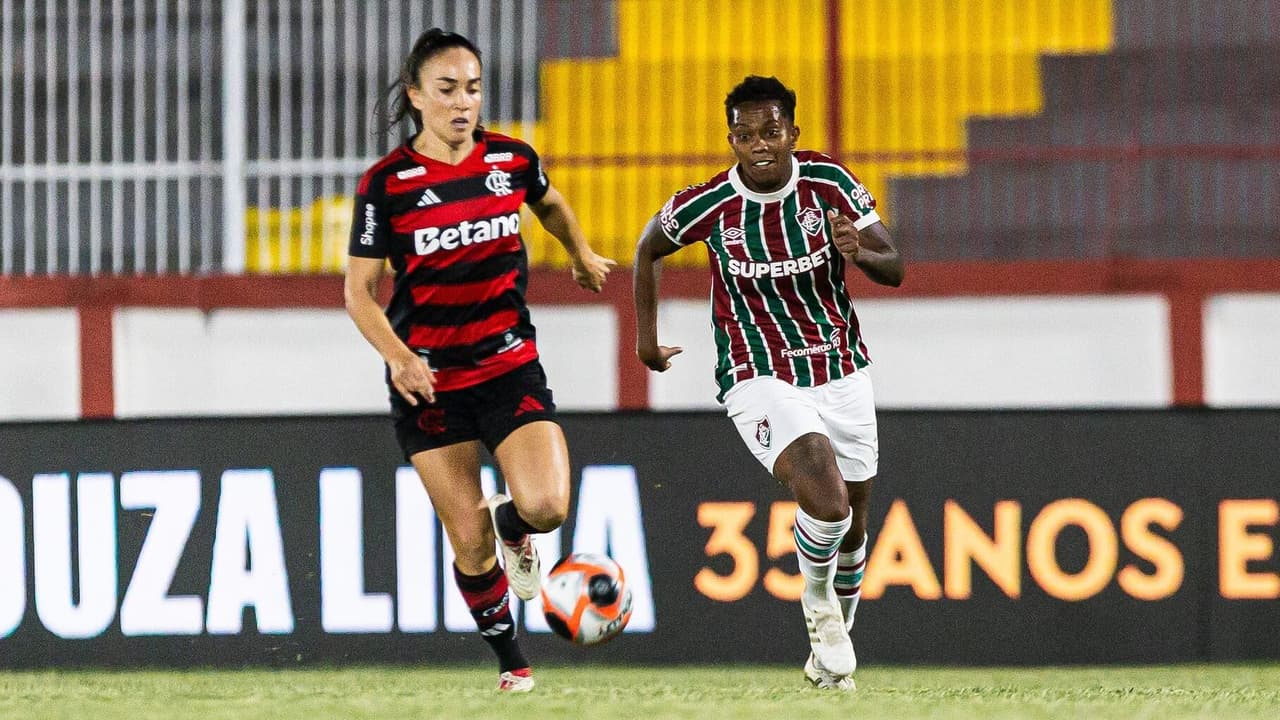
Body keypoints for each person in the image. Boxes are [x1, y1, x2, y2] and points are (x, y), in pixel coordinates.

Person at [344, 28, 614, 693]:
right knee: (468, 542)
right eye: (446, 90)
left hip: (508, 365)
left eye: (472, 88)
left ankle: (515, 525)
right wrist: (400, 358)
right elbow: (358, 291)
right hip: (430, 383)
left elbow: (547, 202)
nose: (462, 103)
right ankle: (513, 664)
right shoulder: (387, 185)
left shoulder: (512, 160)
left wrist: (579, 252)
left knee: (548, 506)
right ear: (415, 97)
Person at [633, 75, 904, 691]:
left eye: (771, 131)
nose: (759, 144)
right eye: (745, 134)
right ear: (730, 139)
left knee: (855, 526)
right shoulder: (710, 205)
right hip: (757, 372)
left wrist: (858, 252)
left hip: (840, 367)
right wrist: (645, 338)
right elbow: (647, 248)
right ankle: (817, 607)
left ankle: (829, 659)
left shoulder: (829, 184)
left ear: (793, 134)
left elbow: (896, 266)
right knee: (827, 498)